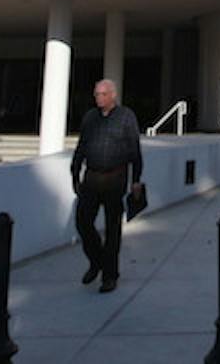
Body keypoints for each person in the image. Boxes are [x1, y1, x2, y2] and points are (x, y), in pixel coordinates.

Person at [70, 78, 142, 293]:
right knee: (83, 222)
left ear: (112, 95)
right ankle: (97, 261)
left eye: (102, 94)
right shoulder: (90, 118)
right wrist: (74, 172)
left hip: (115, 178)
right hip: (91, 178)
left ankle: (109, 275)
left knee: (112, 228)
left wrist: (136, 180)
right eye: (96, 94)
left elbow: (135, 151)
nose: (98, 98)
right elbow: (81, 146)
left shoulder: (126, 117)